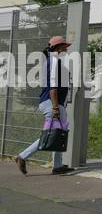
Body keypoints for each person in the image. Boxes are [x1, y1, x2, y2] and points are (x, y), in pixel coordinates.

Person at [15, 36, 74, 175]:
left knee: (59, 133)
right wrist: (54, 107)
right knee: (51, 134)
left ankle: (58, 166)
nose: (67, 48)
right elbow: (52, 86)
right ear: (59, 47)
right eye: (65, 45)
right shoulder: (53, 62)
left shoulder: (52, 61)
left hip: (54, 102)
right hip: (52, 103)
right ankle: (22, 157)